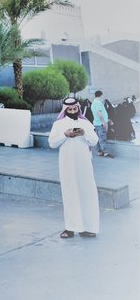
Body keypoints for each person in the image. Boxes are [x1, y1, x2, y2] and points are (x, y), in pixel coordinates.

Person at [49, 97, 100, 238]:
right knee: (70, 193)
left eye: (75, 109)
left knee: (87, 193)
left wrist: (84, 133)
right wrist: (65, 135)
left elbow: (94, 141)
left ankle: (87, 228)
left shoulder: (85, 123)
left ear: (78, 108)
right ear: (65, 110)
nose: (72, 111)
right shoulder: (59, 124)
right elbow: (52, 143)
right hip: (67, 164)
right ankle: (70, 228)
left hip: (84, 164)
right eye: (69, 109)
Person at [90, 90, 114, 158]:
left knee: (98, 138)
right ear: (101, 95)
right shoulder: (98, 102)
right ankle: (106, 152)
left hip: (96, 123)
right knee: (102, 138)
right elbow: (99, 113)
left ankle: (99, 152)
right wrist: (104, 122)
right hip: (100, 123)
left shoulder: (94, 102)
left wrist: (107, 120)